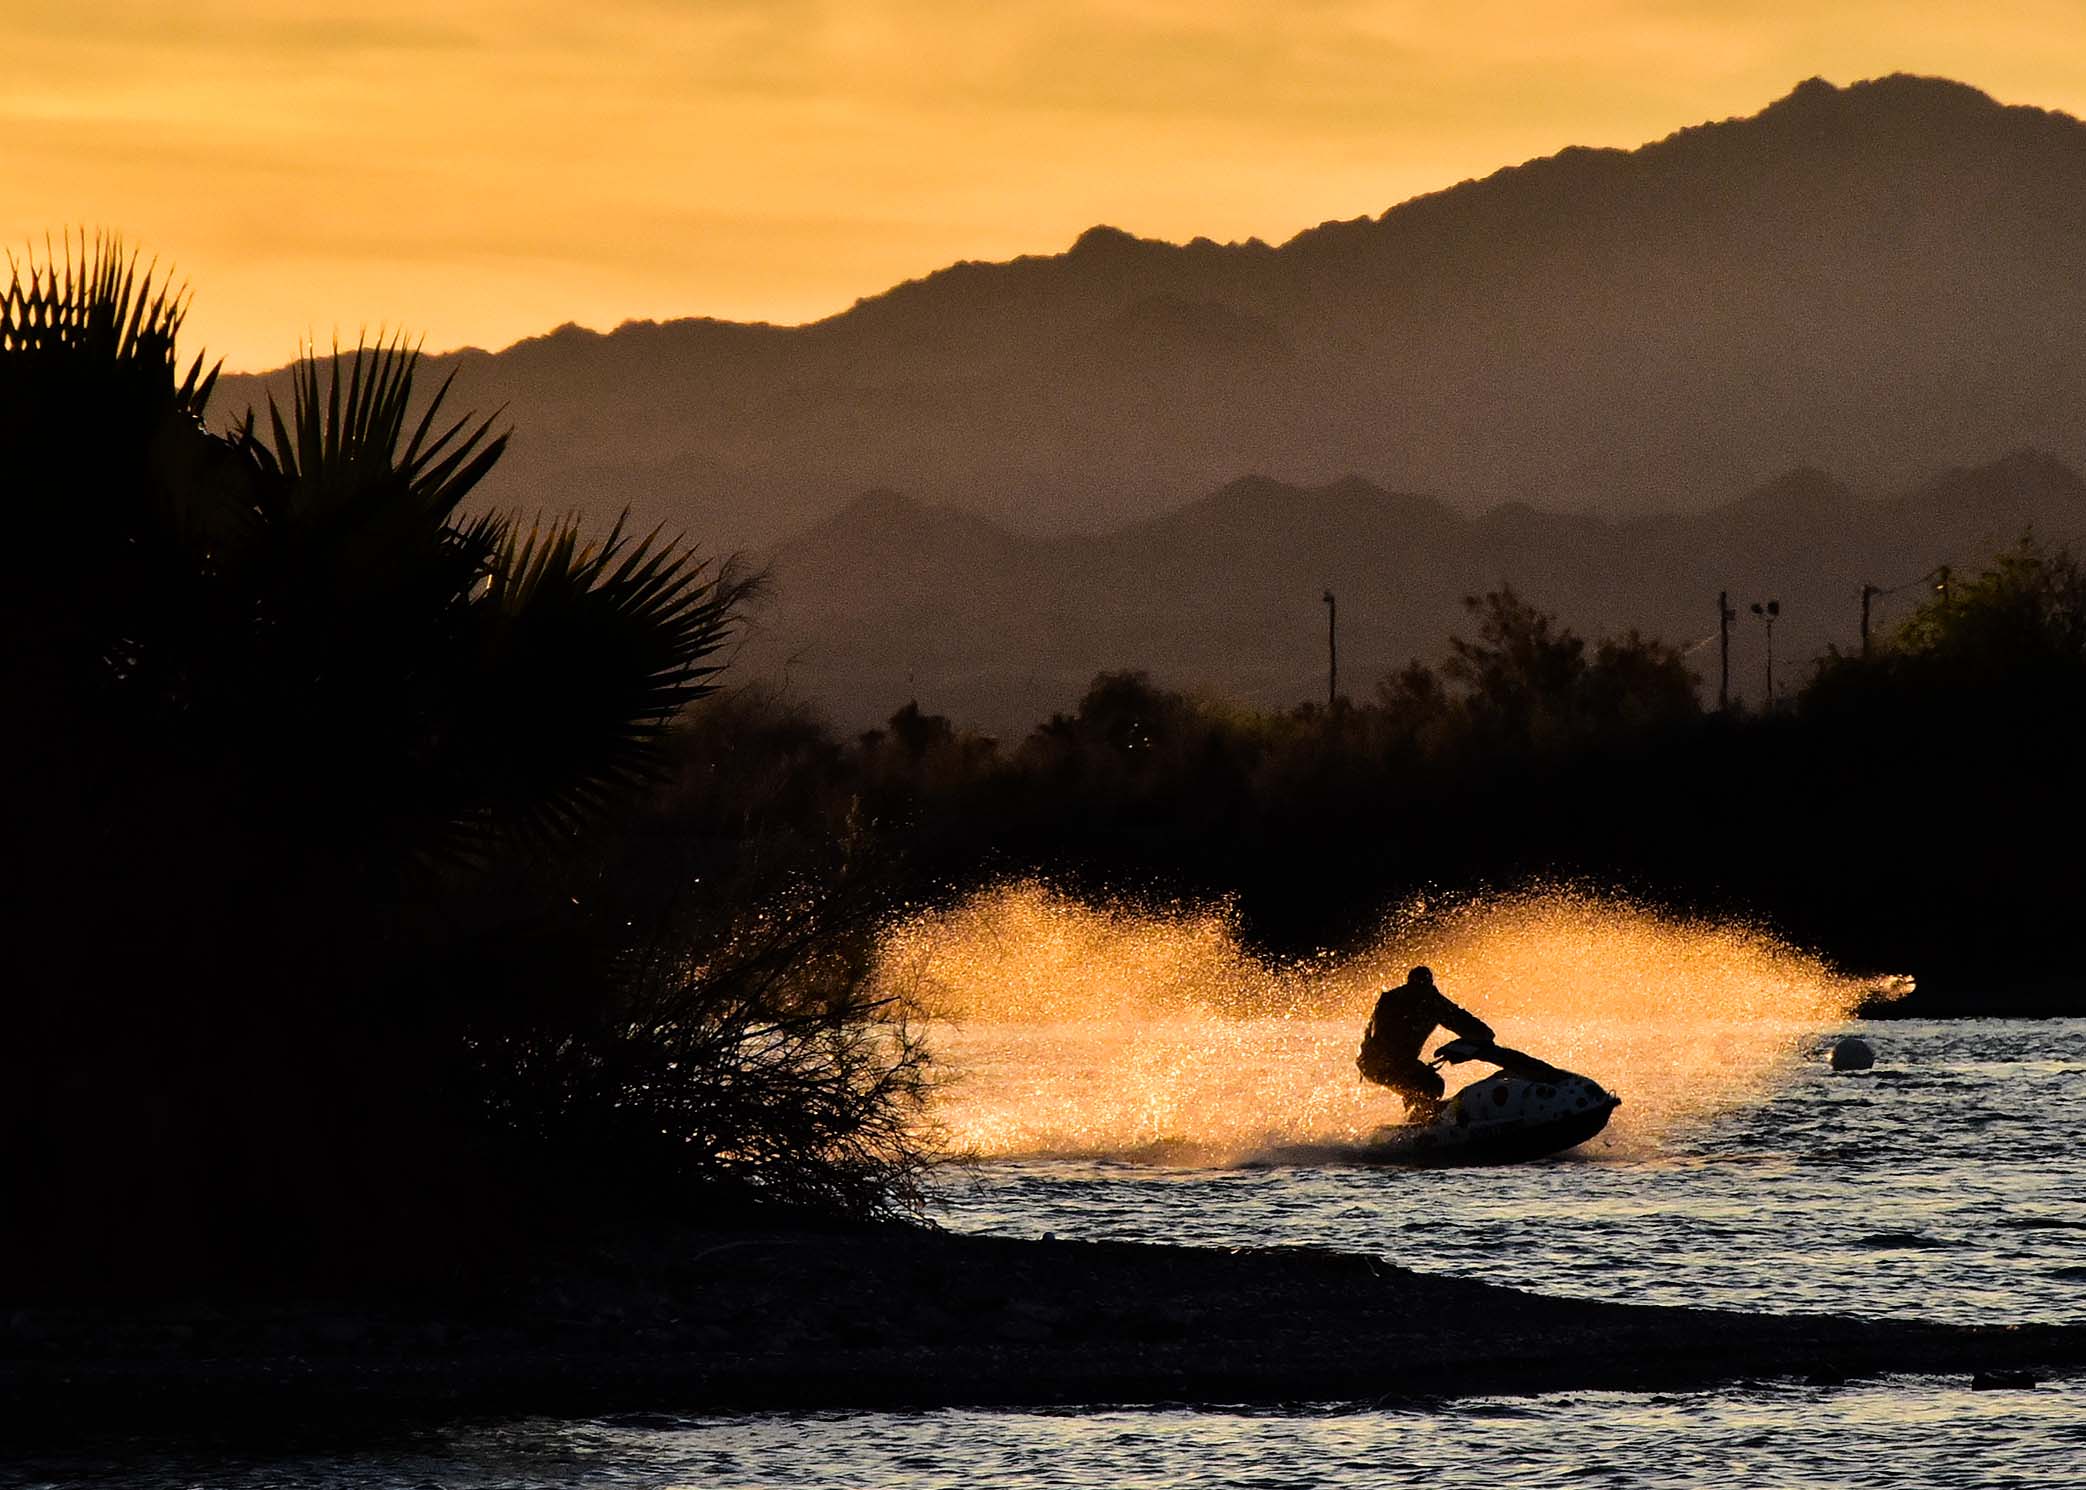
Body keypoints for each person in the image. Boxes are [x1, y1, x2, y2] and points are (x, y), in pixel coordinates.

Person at [1356, 966, 1495, 1120]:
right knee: (1430, 1085)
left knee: (1428, 1084)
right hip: (1377, 1063)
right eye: (1416, 987)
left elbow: (1466, 1023)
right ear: (1409, 985)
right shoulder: (1398, 1001)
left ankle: (1417, 1114)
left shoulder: (1431, 1002)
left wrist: (1482, 1036)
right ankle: (1419, 1116)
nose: (1418, 993)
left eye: (1422, 987)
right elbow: (1379, 1037)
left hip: (1381, 1063)